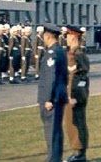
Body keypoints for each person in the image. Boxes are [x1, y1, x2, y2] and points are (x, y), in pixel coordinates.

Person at [37, 23, 68, 162]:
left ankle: (53, 159)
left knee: (51, 131)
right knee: (55, 130)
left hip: (52, 98)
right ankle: (55, 158)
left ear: (47, 36)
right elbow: (64, 76)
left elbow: (50, 78)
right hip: (59, 95)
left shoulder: (52, 53)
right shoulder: (60, 51)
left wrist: (49, 99)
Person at [63, 26, 90, 162]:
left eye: (67, 36)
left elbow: (73, 77)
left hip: (74, 94)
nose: (66, 38)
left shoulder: (73, 55)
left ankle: (78, 153)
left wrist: (71, 96)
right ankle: (81, 151)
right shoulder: (82, 54)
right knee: (80, 121)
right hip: (82, 92)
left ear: (73, 38)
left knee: (73, 123)